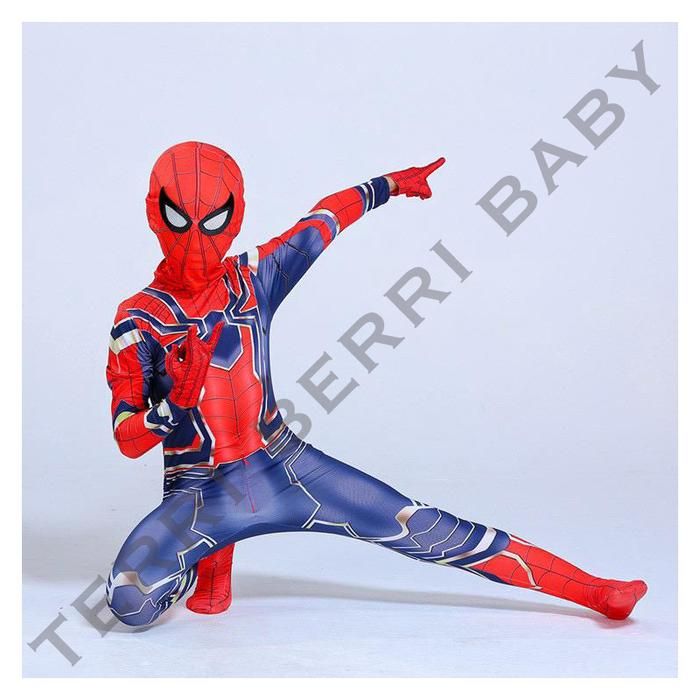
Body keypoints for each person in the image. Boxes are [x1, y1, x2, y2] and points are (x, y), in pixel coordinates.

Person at [105, 141, 647, 627]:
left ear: (237, 215)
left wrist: (387, 186)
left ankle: (594, 591)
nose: (196, 240)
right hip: (198, 489)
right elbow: (127, 439)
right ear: (155, 212)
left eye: (214, 220)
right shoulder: (138, 321)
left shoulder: (252, 279)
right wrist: (173, 405)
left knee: (421, 525)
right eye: (179, 219)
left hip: (280, 465)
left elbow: (321, 223)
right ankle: (206, 564)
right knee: (129, 603)